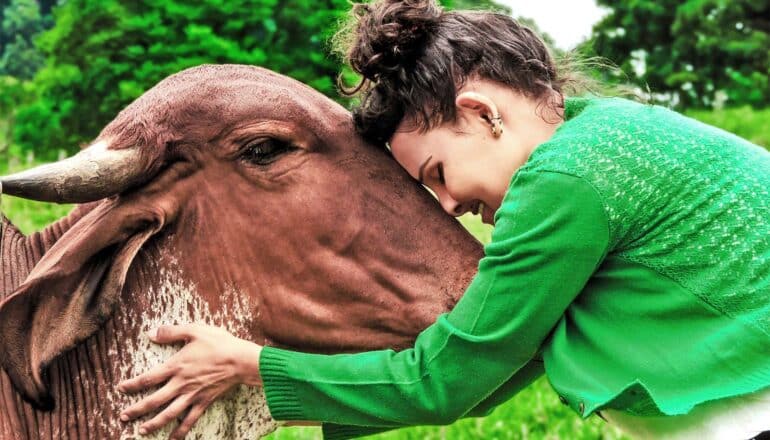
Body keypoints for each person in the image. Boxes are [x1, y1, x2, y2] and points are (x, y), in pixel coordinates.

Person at [116, 1, 770, 439]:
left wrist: (251, 364)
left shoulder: (563, 179)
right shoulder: (604, 134)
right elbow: (495, 370)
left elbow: (443, 382)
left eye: (435, 174)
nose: (449, 205)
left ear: (482, 113)